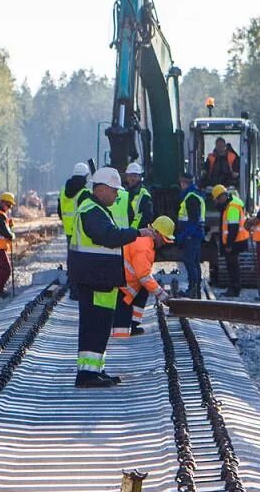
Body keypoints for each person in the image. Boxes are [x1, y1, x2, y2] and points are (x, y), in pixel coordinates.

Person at [70, 167, 150, 387]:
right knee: (95, 326)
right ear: (102, 190)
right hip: (96, 279)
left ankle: (95, 370)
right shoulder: (91, 211)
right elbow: (108, 237)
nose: (117, 196)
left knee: (100, 326)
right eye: (114, 191)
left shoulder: (97, 209)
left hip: (100, 278)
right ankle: (87, 375)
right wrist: (138, 233)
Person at [117, 216, 175, 338]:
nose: (164, 243)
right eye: (164, 239)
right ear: (157, 233)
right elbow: (143, 275)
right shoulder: (145, 247)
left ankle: (132, 325)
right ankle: (121, 338)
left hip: (123, 282)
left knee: (143, 292)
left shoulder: (145, 241)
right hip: (121, 285)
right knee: (121, 315)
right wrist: (162, 295)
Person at [212, 184, 247, 297]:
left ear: (221, 197)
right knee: (232, 265)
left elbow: (233, 227)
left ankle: (234, 288)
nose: (216, 202)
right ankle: (233, 287)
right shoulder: (229, 205)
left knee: (232, 266)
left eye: (217, 199)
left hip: (234, 242)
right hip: (234, 241)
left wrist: (229, 244)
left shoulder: (232, 207)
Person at [176, 172, 207, 297]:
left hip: (192, 236)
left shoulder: (191, 198)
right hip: (195, 235)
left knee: (190, 262)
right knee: (194, 263)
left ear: (184, 183)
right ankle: (195, 289)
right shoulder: (195, 195)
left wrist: (183, 236)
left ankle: (192, 289)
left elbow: (193, 221)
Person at [61, 163, 91, 254]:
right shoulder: (85, 193)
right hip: (81, 232)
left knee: (71, 255)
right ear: (85, 176)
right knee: (81, 257)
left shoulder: (63, 190)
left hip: (68, 230)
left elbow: (59, 211)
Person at [118, 161, 154, 229]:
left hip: (137, 234)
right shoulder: (122, 192)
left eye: (135, 176)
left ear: (140, 177)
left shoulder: (145, 195)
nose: (132, 179)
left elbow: (148, 217)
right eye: (130, 175)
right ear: (126, 177)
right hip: (123, 231)